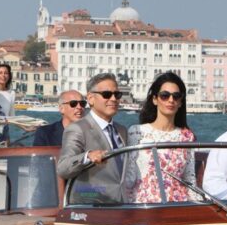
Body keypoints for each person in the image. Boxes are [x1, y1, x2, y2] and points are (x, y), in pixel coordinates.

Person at [124, 72, 198, 203]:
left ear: (181, 102)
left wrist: (198, 207)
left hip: (178, 205)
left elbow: (189, 180)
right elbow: (129, 178)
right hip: (143, 205)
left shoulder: (187, 136)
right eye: (165, 96)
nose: (171, 100)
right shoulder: (136, 132)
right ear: (154, 99)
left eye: (176, 96)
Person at [57, 73, 127, 202]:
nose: (113, 99)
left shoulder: (122, 130)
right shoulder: (77, 129)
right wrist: (87, 157)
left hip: (123, 204)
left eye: (117, 95)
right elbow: (63, 167)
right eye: (106, 94)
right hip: (92, 204)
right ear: (91, 98)